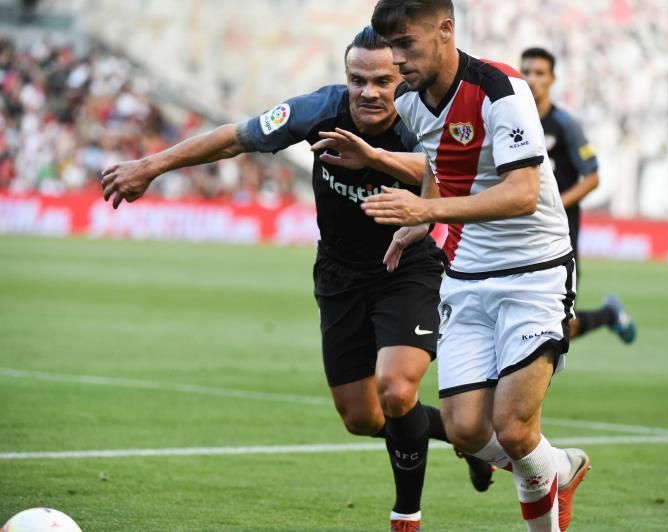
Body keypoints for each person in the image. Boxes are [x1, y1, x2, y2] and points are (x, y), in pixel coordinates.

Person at [99, 27, 492, 532]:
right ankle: (469, 441)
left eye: (382, 81)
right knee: (364, 418)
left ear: (402, 80)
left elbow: (449, 170)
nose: (369, 92)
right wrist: (151, 165)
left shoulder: (423, 119)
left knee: (396, 391)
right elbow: (234, 138)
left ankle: (406, 517)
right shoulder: (319, 112)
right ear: (345, 78)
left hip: (408, 265)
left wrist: (378, 162)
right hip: (340, 273)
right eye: (358, 80)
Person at [366, 1, 590, 530]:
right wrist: (422, 218)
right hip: (466, 273)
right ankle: (558, 466)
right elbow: (439, 164)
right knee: (465, 430)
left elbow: (521, 194)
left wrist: (429, 209)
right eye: (391, 47)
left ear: (445, 30)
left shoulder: (500, 90)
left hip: (535, 271)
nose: (396, 60)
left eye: (406, 44)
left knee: (513, 429)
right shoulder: (412, 100)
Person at [520, 47, 636, 344]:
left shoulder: (566, 126)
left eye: (540, 73)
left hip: (559, 234)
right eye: (526, 72)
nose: (532, 79)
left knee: (558, 329)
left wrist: (554, 204)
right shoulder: (513, 119)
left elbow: (593, 177)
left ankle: (609, 315)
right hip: (522, 232)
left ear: (553, 79)